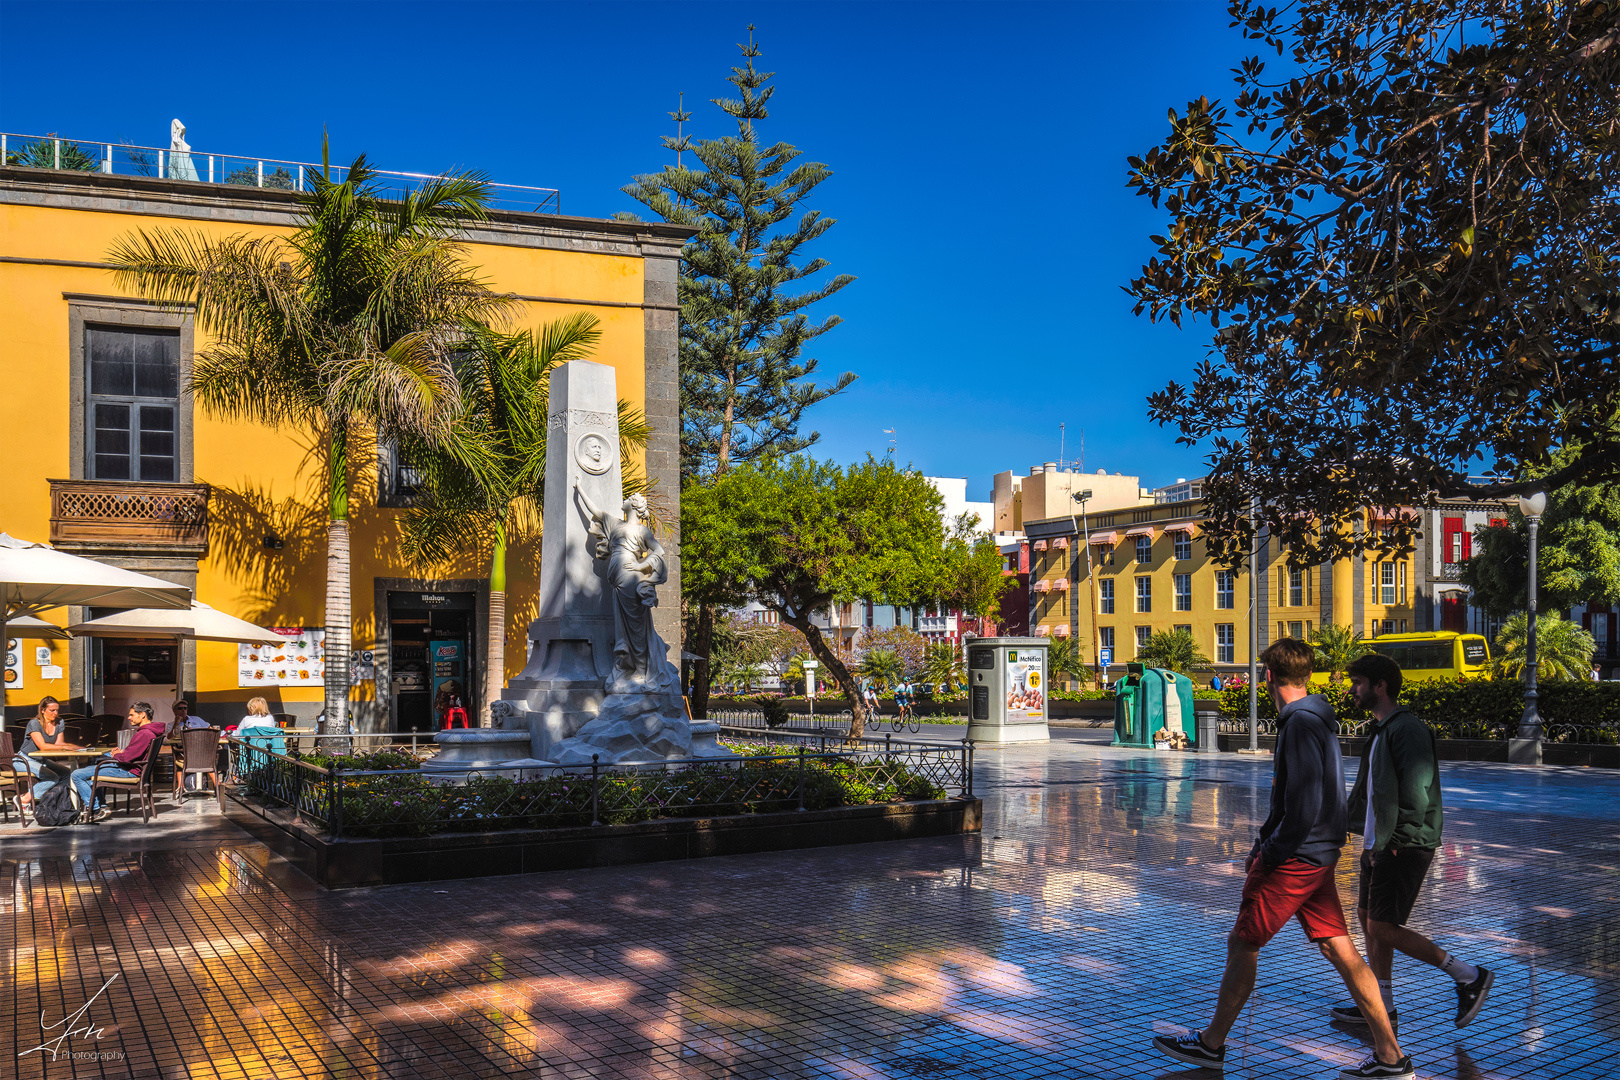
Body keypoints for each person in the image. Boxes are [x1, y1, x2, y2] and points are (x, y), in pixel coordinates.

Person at [1152, 638, 1413, 1079]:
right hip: (1319, 855)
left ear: (1268, 677)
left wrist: (1269, 853)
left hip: (1296, 858)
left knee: (1244, 942)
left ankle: (1212, 1045)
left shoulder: (1299, 723)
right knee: (1339, 948)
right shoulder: (1318, 719)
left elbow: (1303, 801)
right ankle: (1391, 1058)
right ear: (1306, 675)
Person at [1332, 653, 1493, 1031]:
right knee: (1368, 921)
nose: (1352, 690)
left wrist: (1394, 842)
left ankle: (1469, 975)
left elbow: (1416, 792)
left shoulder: (1407, 729)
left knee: (1383, 927)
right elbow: (1371, 792)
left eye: (1357, 683)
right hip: (1378, 842)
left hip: (1402, 844)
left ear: (1380, 686)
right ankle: (1381, 1004)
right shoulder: (1381, 729)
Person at [70, 702, 166, 823]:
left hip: (128, 771)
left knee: (77, 774)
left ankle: (96, 810)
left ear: (142, 715)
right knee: (91, 771)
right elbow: (134, 753)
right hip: (133, 768)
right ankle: (102, 807)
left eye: (131, 714)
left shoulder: (144, 733)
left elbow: (127, 758)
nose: (128, 717)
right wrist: (122, 752)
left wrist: (117, 754)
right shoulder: (151, 732)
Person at [14, 696, 80, 808]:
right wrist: (67, 748)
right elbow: (43, 746)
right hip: (24, 760)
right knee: (52, 777)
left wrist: (79, 748)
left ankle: (53, 800)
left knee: (67, 774)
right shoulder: (34, 723)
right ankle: (24, 800)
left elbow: (59, 744)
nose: (55, 713)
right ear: (43, 710)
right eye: (52, 710)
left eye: (57, 710)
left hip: (41, 760)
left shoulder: (59, 722)